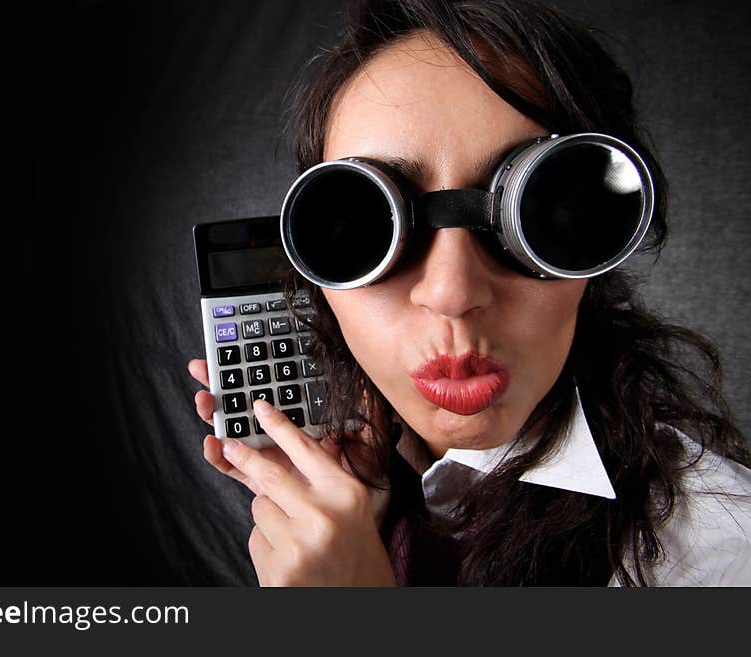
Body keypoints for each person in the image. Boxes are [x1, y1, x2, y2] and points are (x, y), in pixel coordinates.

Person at [187, 0, 751, 586]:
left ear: (593, 255)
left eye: (537, 214)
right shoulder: (361, 489)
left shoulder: (720, 552)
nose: (452, 293)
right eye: (368, 227)